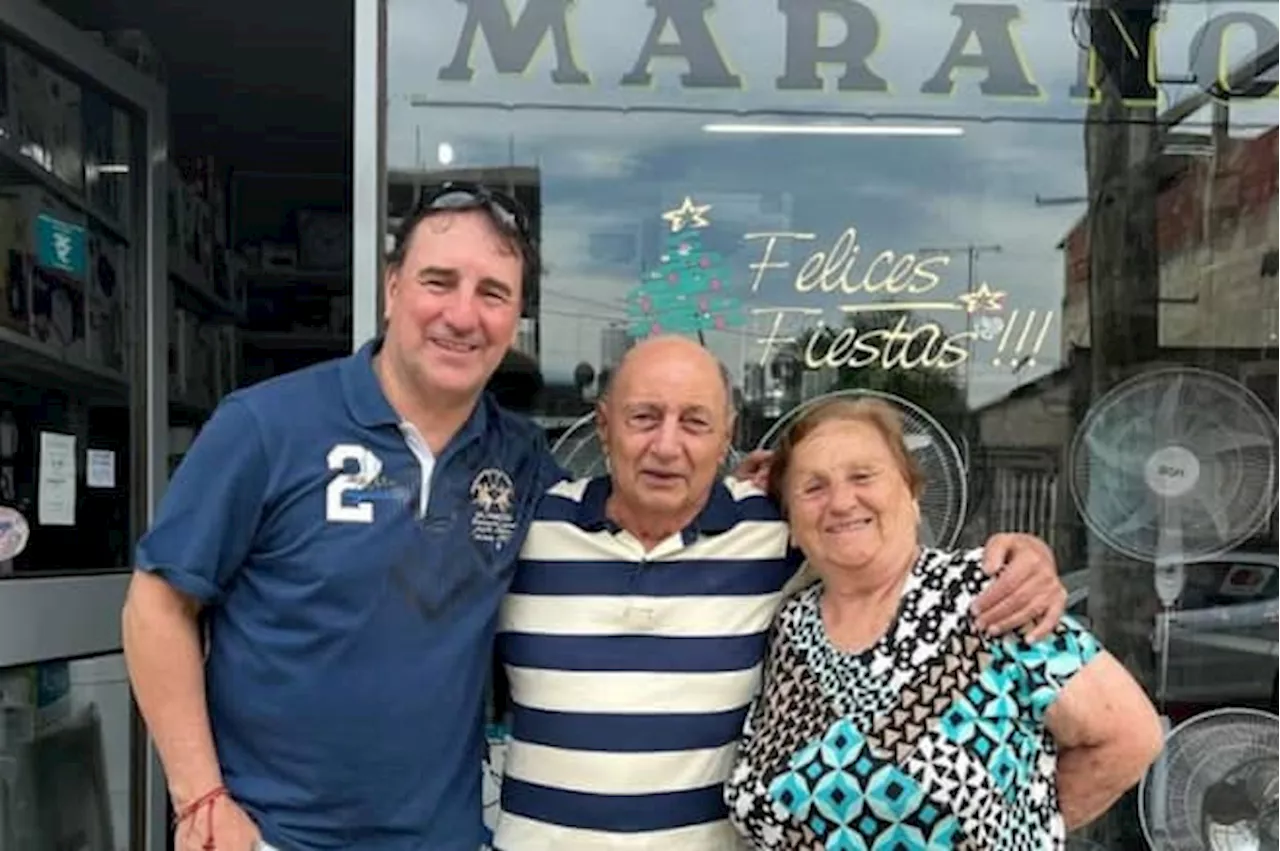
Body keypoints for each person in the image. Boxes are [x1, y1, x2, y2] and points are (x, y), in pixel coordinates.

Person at [490, 335, 1070, 850]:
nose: (667, 446)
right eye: (644, 417)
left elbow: (888, 556)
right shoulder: (524, 531)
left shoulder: (780, 533)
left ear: (728, 437)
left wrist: (1021, 558)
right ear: (603, 425)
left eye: (695, 422)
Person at [122, 183, 565, 851]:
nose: (462, 314)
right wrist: (200, 797)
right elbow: (156, 606)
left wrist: (765, 485)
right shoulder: (265, 424)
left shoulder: (522, 458)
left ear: (516, 317)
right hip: (272, 837)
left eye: (492, 293)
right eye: (437, 281)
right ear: (392, 288)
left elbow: (621, 531)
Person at [723, 397, 1164, 849]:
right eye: (812, 487)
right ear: (791, 523)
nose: (840, 502)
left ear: (912, 496)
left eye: (863, 476)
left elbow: (1130, 736)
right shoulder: (787, 627)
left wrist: (1015, 831)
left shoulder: (987, 595)